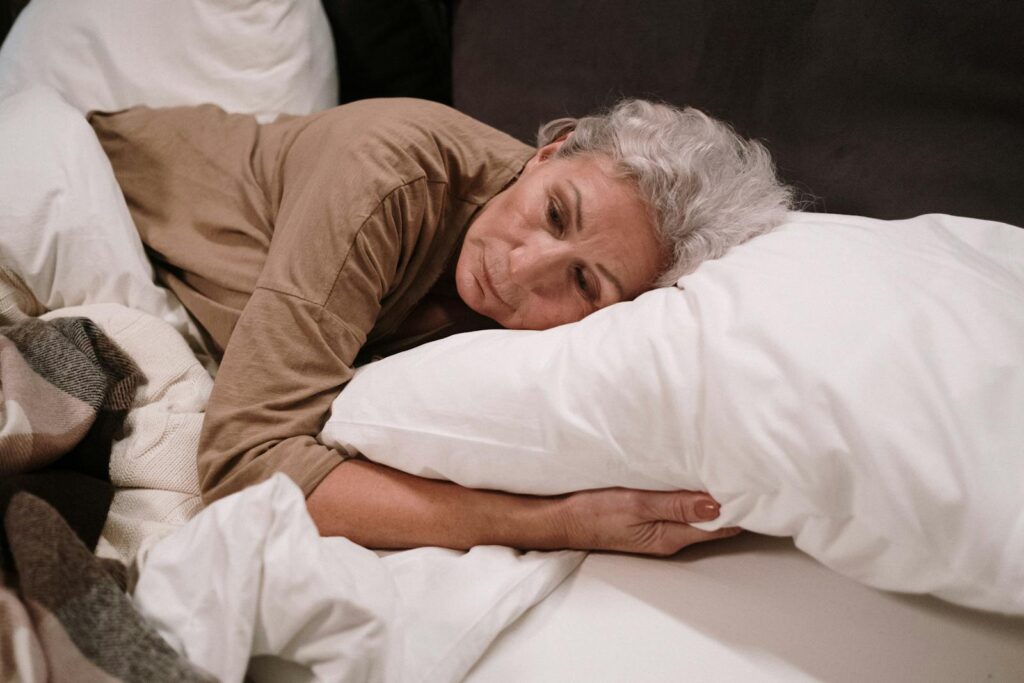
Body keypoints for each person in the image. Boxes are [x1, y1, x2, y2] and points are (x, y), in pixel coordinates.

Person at [89, 97, 792, 555]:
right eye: (554, 213)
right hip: (84, 180)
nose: (523, 269)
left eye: (582, 281)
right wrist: (550, 523)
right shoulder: (387, 175)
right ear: (551, 152)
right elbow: (244, 466)